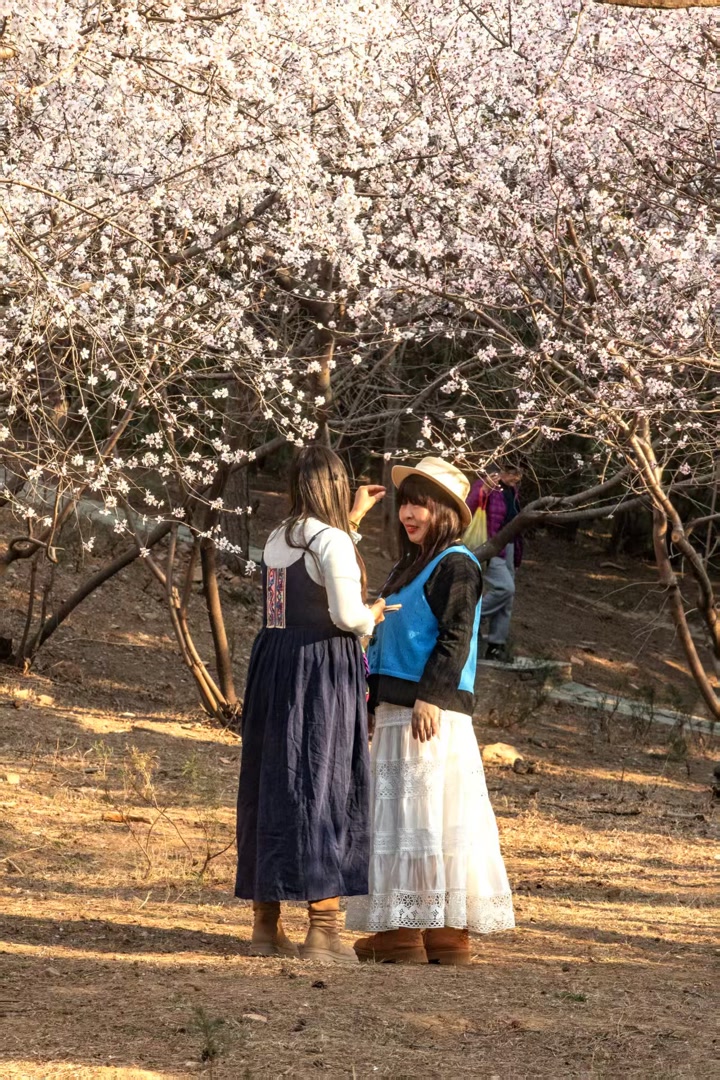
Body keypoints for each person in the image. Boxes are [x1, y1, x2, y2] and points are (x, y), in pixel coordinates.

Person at [346, 456, 515, 964]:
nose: (408, 514)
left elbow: (457, 636)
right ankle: (434, 932)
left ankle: (416, 932)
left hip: (427, 713)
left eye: (420, 505)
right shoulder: (412, 564)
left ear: (444, 511)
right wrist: (371, 697)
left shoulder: (457, 563)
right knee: (419, 815)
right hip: (398, 709)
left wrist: (431, 696)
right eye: (406, 504)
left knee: (423, 816)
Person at [235, 446, 386, 964]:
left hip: (274, 663)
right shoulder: (331, 540)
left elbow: (308, 582)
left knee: (272, 784)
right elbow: (345, 614)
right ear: (336, 486)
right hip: (321, 668)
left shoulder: (279, 537)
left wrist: (353, 521)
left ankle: (265, 925)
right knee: (324, 782)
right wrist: (372, 615)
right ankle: (322, 932)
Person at [466, 462, 523, 662]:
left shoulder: (512, 491)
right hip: (491, 546)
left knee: (508, 599)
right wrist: (484, 489)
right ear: (501, 470)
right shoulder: (487, 485)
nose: (517, 478)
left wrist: (517, 556)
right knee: (505, 589)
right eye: (513, 473)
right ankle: (472, 618)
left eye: (519, 474)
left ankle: (496, 645)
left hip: (509, 548)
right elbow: (469, 506)